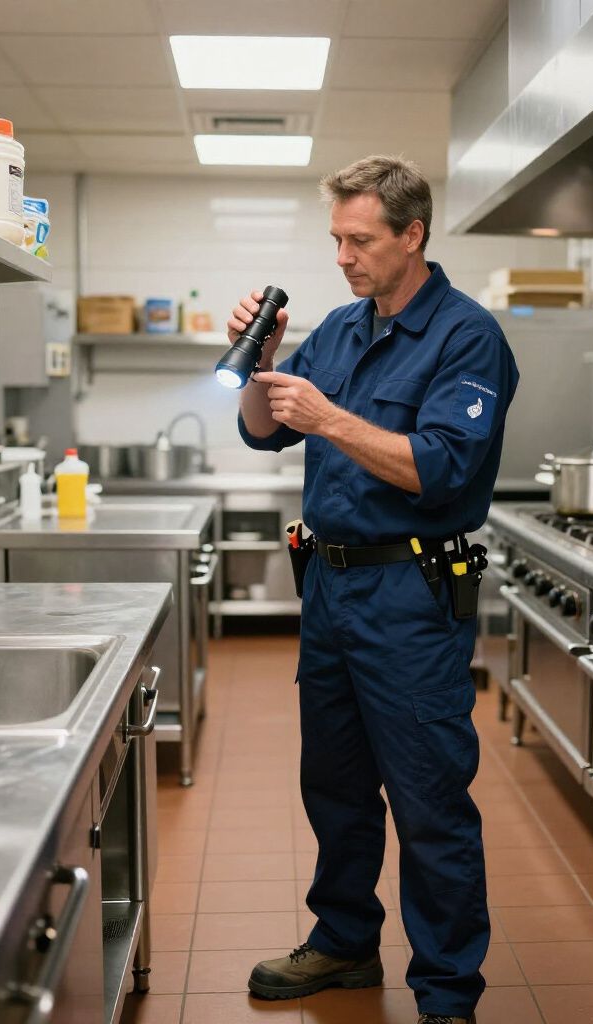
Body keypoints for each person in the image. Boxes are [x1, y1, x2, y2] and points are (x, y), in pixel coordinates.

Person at [231, 155, 518, 1024]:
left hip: (411, 596)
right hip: (330, 590)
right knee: (338, 785)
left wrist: (329, 418)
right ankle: (346, 940)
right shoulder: (341, 330)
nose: (344, 257)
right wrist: (263, 363)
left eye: (360, 241)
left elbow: (438, 467)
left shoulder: (467, 336)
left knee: (429, 799)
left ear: (412, 235)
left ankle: (446, 994)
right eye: (336, 240)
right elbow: (259, 432)